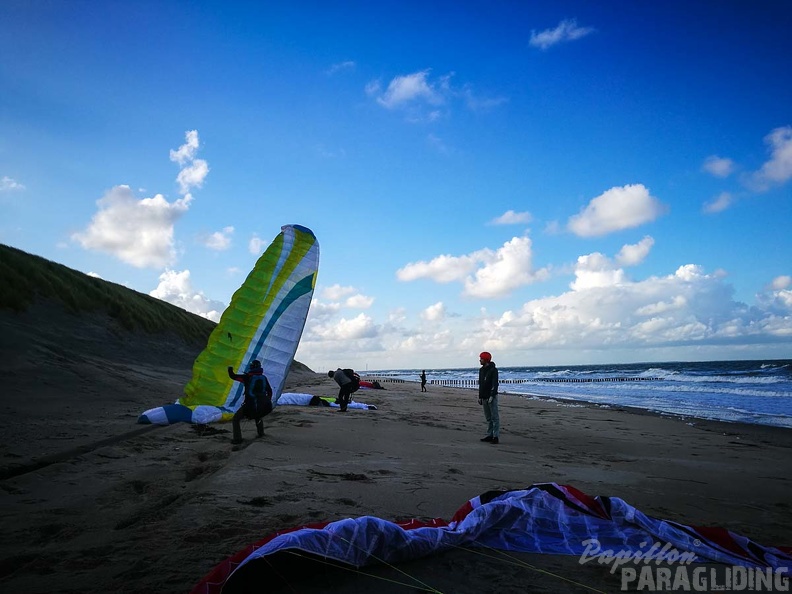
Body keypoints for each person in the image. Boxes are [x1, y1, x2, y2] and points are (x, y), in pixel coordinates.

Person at [228, 359, 273, 445]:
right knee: (258, 415)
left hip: (250, 405)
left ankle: (237, 439)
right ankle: (261, 434)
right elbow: (270, 391)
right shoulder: (264, 378)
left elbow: (233, 376)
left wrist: (230, 368)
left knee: (236, 419)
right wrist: (267, 400)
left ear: (252, 367)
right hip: (262, 404)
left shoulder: (247, 377)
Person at [477, 352, 500, 444]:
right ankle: (489, 434)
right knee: (488, 417)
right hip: (484, 396)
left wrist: (492, 395)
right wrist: (480, 396)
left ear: (486, 359)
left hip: (491, 396)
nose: (480, 360)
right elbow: (481, 384)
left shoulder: (493, 370)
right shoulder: (481, 370)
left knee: (495, 417)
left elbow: (495, 383)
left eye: (481, 358)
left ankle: (496, 436)